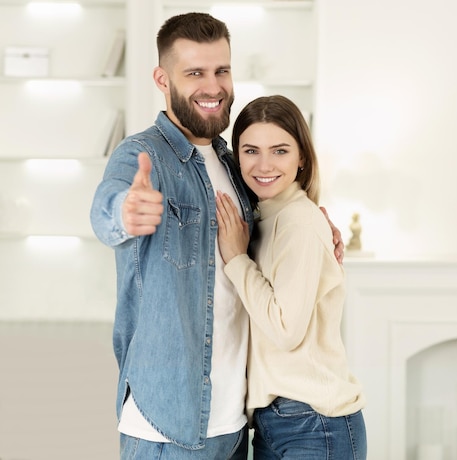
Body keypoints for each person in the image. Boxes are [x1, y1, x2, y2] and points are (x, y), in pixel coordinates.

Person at [90, 13, 343, 460]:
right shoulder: (142, 155)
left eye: (221, 70)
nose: (213, 86)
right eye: (195, 73)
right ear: (162, 79)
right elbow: (107, 208)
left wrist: (320, 238)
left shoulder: (234, 162)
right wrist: (127, 213)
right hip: (167, 426)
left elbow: (262, 243)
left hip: (235, 424)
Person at [215, 95, 367, 459]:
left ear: (302, 158)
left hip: (314, 423)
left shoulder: (298, 222)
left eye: (280, 151)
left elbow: (286, 329)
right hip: (279, 422)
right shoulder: (266, 220)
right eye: (251, 151)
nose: (263, 164)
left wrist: (236, 259)